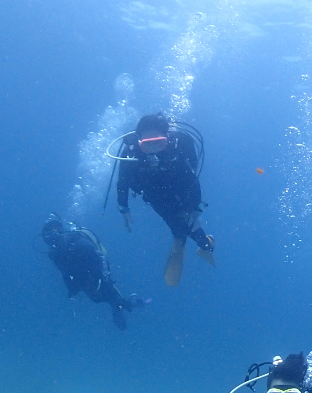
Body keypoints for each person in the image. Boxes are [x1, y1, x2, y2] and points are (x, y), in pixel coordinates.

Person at [115, 113, 215, 287]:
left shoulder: (175, 150)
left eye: (158, 143)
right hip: (154, 197)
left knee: (190, 224)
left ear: (166, 139)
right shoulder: (130, 153)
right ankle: (181, 236)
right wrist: (123, 208)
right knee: (173, 221)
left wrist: (196, 210)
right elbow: (122, 181)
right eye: (147, 145)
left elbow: (193, 180)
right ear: (139, 142)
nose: (153, 149)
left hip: (180, 191)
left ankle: (206, 244)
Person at [41, 214, 146, 330]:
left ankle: (130, 303)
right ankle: (124, 304)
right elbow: (64, 271)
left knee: (111, 296)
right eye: (48, 234)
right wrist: (71, 287)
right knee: (97, 299)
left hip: (96, 274)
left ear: (61, 230)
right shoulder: (56, 254)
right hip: (83, 278)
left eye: (54, 231)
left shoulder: (78, 241)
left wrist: (106, 275)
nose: (52, 237)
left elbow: (99, 256)